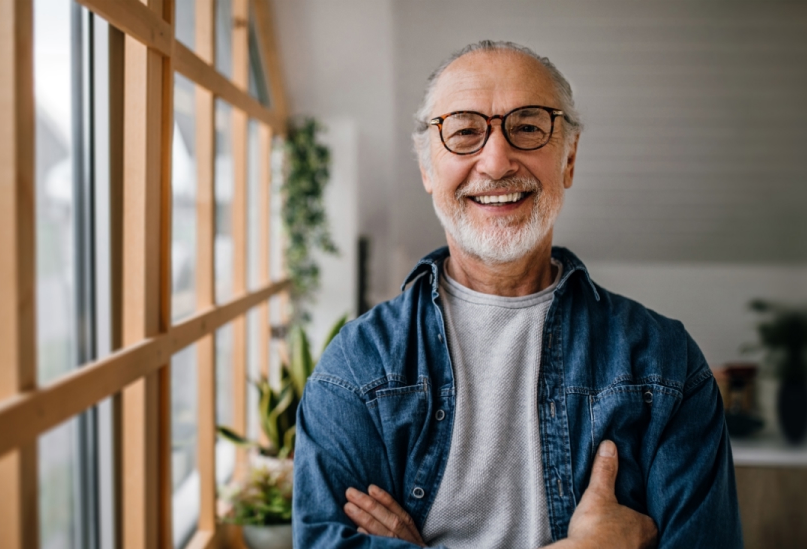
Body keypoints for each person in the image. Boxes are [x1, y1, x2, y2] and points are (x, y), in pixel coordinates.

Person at [292, 40, 743, 549]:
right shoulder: (356, 370)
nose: (497, 159)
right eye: (464, 132)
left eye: (528, 127)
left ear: (569, 158)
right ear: (426, 169)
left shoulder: (666, 364)